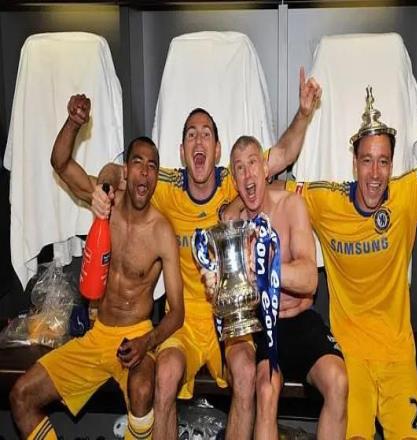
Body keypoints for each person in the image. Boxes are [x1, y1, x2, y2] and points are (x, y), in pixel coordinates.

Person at [282, 21, 417, 439]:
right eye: (367, 160)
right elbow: (271, 188)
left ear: (392, 164)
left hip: (398, 358)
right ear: (354, 163)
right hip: (352, 356)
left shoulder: (405, 196)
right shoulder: (327, 200)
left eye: (383, 161)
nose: (375, 173)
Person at [91, 68, 322, 439]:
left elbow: (281, 154)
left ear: (216, 150)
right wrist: (103, 188)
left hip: (228, 319)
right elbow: (116, 172)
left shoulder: (234, 180)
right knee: (165, 376)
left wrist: (304, 113)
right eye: (190, 134)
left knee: (246, 373)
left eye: (206, 134)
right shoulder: (164, 186)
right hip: (182, 322)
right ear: (182, 152)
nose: (198, 140)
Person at [9, 94, 184, 440]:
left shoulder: (162, 232)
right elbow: (60, 162)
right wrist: (74, 123)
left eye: (152, 166)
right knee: (21, 396)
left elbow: (176, 312)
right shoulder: (105, 202)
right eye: (138, 162)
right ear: (126, 170)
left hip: (136, 335)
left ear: (156, 177)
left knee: (143, 390)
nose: (145, 171)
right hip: (97, 333)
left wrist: (147, 341)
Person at [216, 135, 347, 440]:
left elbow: (309, 279)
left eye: (253, 163)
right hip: (265, 325)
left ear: (265, 168)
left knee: (338, 381)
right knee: (266, 389)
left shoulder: (291, 205)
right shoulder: (234, 226)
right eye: (239, 168)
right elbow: (229, 292)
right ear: (234, 181)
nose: (248, 174)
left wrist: (267, 269)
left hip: (301, 320)